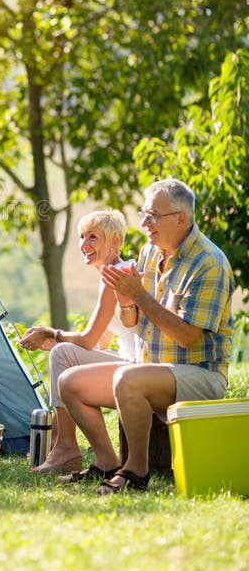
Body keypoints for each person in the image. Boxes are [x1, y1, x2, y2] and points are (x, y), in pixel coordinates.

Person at [58, 179, 234, 494]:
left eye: (152, 216)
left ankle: (136, 471)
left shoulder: (209, 262)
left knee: (129, 378)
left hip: (201, 375)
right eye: (144, 214)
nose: (143, 223)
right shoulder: (149, 253)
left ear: (180, 218)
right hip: (149, 367)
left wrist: (139, 294)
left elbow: (187, 336)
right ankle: (106, 462)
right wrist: (127, 301)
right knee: (70, 382)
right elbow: (134, 320)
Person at [19, 209, 137, 475]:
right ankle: (66, 447)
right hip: (132, 363)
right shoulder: (114, 273)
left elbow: (88, 339)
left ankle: (66, 450)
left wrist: (54, 334)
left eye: (93, 237)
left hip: (138, 368)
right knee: (63, 354)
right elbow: (99, 343)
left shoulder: (115, 276)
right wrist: (61, 345)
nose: (84, 244)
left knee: (62, 354)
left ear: (114, 242)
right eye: (82, 237)